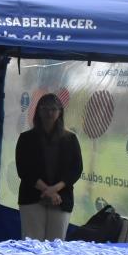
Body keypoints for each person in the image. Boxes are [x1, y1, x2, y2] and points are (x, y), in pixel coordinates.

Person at [15, 93, 83, 240]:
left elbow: (76, 169)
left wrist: (54, 190)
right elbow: (23, 170)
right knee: (32, 246)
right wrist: (48, 190)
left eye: (53, 109)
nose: (49, 112)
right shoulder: (26, 139)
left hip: (61, 199)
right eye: (45, 108)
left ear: (60, 112)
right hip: (32, 197)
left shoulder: (71, 139)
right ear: (38, 111)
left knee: (56, 247)